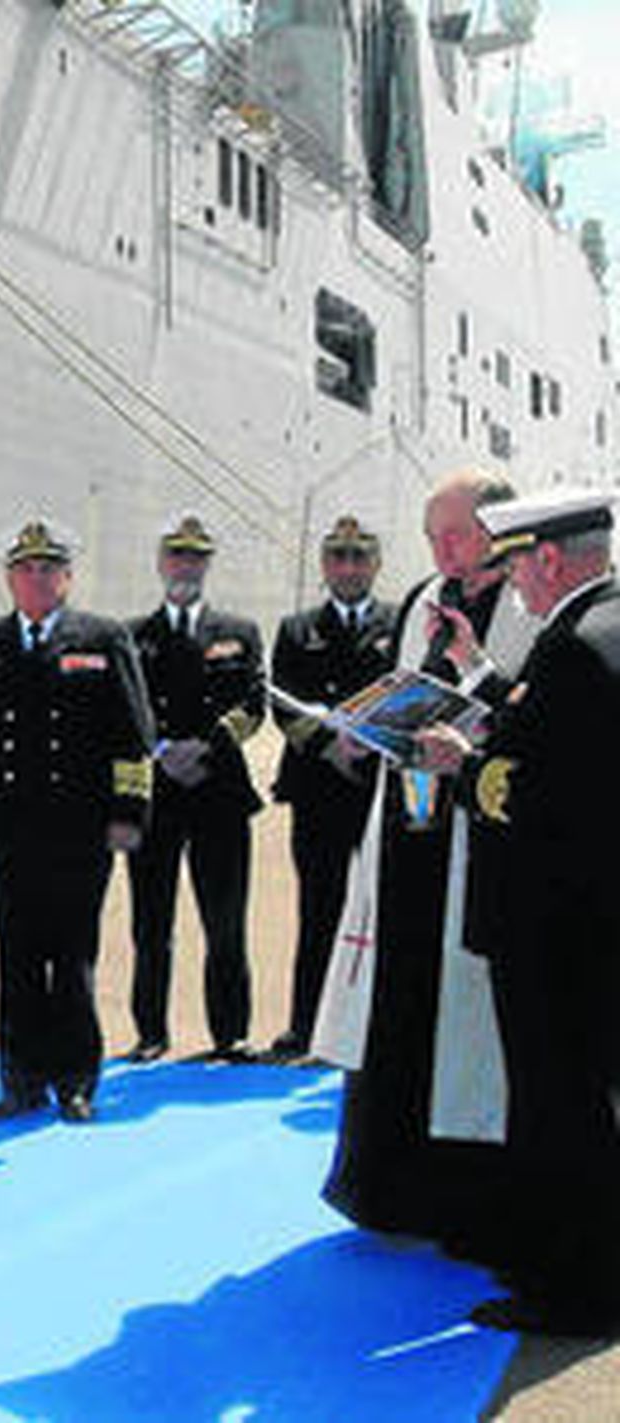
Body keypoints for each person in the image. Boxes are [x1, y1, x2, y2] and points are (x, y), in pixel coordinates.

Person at [416, 489, 620, 1334]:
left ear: (546, 559)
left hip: (554, 925)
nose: (515, 587)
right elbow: (555, 726)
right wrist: (477, 674)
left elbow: (540, 789)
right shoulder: (605, 627)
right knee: (586, 1097)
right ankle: (579, 1260)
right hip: (595, 918)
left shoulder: (573, 645)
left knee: (556, 1103)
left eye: (518, 566)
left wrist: (461, 766)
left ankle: (574, 1288)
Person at [319, 469, 538, 1257]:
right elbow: (403, 686)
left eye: (455, 533)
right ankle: (391, 1184)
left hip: (483, 836)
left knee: (473, 1024)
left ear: (496, 531)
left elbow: (533, 722)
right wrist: (359, 728)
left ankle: (471, 1201)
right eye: (431, 535)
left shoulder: (526, 603)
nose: (442, 549)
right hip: (409, 836)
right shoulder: (418, 601)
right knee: (400, 1005)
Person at [0, 518, 153, 1122]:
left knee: (74, 957)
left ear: (67, 577)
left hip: (80, 827)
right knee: (18, 956)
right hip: (5, 827)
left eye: (48, 569)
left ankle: (77, 1080)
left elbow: (132, 734)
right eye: (25, 569)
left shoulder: (102, 637)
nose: (36, 579)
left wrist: (129, 813)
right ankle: (20, 1079)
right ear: (9, 579)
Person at [126, 514, 265, 1062]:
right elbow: (123, 706)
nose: (186, 565)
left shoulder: (239, 632)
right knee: (151, 924)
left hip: (219, 790)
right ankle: (151, 1033)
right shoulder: (132, 636)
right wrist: (162, 750)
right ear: (162, 563)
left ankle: (229, 1033)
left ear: (207, 565)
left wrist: (205, 747)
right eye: (177, 555)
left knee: (225, 921)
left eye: (196, 557)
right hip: (155, 794)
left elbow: (253, 705)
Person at [266, 516, 397, 1060]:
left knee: (379, 910)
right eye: (338, 557)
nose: (348, 567)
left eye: (358, 557)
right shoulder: (298, 629)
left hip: (376, 788)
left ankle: (376, 1026)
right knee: (318, 911)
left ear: (375, 564)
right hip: (317, 789)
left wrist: (365, 742)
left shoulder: (399, 621)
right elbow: (281, 702)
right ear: (325, 565)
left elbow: (408, 690)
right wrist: (328, 746)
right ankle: (307, 1027)